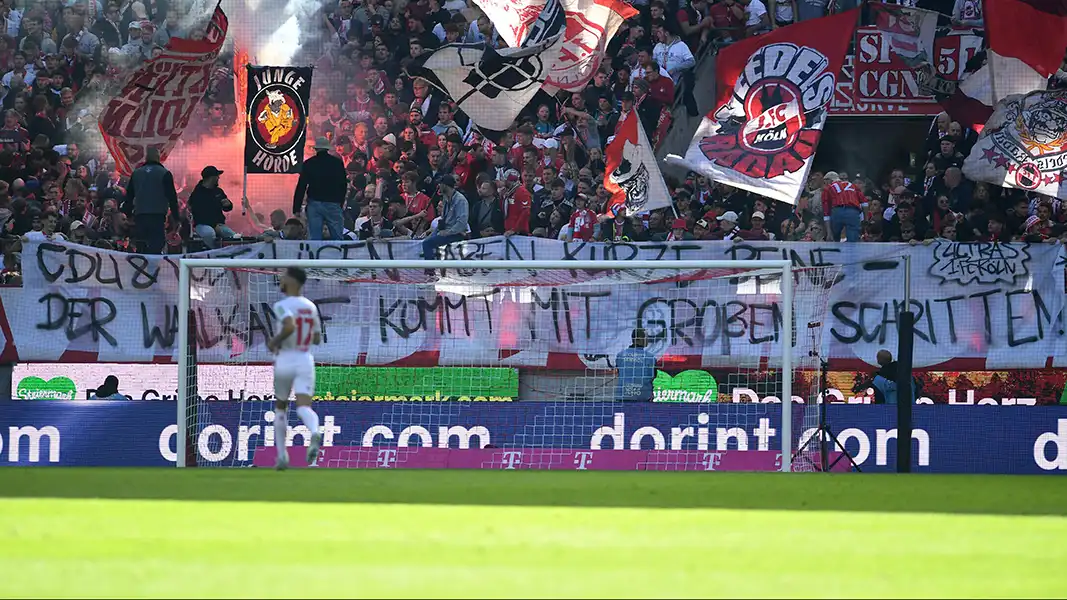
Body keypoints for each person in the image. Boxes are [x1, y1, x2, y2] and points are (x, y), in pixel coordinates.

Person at [268, 266, 324, 470]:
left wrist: (275, 341)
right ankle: (315, 431)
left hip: (285, 359)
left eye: (284, 277)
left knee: (281, 406)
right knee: (304, 407)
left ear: (291, 281)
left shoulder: (282, 305)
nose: (281, 280)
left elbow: (289, 325)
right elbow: (317, 337)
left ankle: (282, 456)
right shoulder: (310, 307)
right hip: (305, 359)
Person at [122, 147, 180, 254]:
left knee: (141, 245)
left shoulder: (136, 173)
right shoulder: (165, 173)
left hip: (140, 216)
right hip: (157, 216)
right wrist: (176, 218)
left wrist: (128, 214)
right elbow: (172, 197)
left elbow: (129, 196)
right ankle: (152, 269)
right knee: (156, 246)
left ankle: (141, 268)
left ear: (146, 158)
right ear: (158, 158)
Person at [293, 137, 348, 241]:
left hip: (314, 204)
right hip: (333, 203)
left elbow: (301, 186)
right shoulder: (337, 163)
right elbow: (343, 185)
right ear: (327, 149)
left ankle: (315, 256)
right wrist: (340, 203)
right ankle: (338, 256)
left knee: (314, 238)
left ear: (316, 149)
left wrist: (296, 208)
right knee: (337, 238)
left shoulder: (309, 164)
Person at [188, 166, 238, 248]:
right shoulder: (197, 194)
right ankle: (214, 252)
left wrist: (228, 204)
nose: (218, 178)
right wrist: (214, 226)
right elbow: (199, 214)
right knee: (209, 233)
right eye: (217, 176)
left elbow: (227, 208)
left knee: (233, 237)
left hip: (219, 225)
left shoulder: (218, 191)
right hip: (202, 225)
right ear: (211, 178)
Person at [421, 174, 468, 260]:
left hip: (456, 233)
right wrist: (434, 232)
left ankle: (430, 271)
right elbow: (444, 219)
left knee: (427, 244)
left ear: (445, 185)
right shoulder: (445, 198)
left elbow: (461, 223)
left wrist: (448, 232)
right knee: (425, 240)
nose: (438, 186)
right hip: (445, 229)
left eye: (440, 184)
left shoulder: (460, 200)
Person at [616, 328, 657, 402]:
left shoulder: (620, 355)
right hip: (643, 396)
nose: (648, 340)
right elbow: (652, 376)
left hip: (623, 395)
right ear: (641, 339)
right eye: (646, 337)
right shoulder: (650, 357)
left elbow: (619, 373)